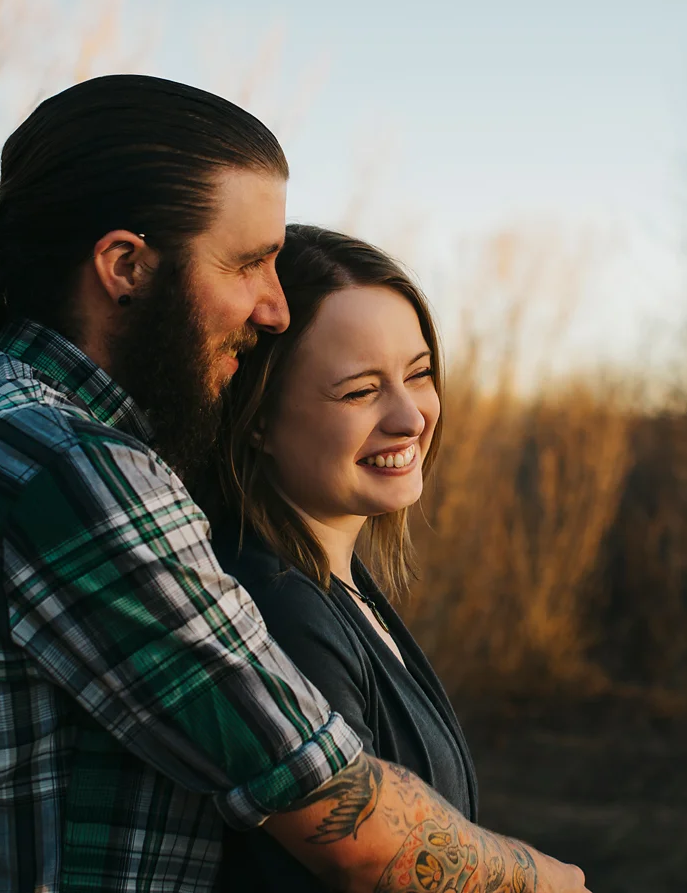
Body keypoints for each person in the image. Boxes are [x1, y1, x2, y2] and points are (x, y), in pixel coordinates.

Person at [0, 74, 588, 893]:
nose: (275, 309)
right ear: (125, 266)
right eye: (249, 265)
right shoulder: (74, 468)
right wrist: (550, 883)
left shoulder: (4, 409)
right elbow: (336, 810)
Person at [212, 225, 478, 892]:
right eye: (361, 390)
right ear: (259, 421)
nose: (411, 416)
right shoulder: (277, 609)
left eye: (418, 374)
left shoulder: (340, 581)